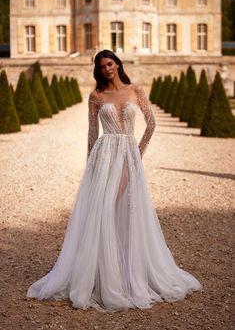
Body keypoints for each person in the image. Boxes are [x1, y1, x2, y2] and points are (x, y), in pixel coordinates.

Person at [27, 49, 202, 311]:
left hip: (129, 154)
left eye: (110, 64)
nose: (107, 69)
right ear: (98, 71)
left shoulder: (136, 90)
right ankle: (99, 276)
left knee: (123, 211)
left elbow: (151, 124)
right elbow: (92, 133)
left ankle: (126, 273)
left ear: (118, 64)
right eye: (102, 67)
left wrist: (137, 153)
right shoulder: (96, 96)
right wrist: (90, 167)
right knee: (103, 210)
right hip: (105, 155)